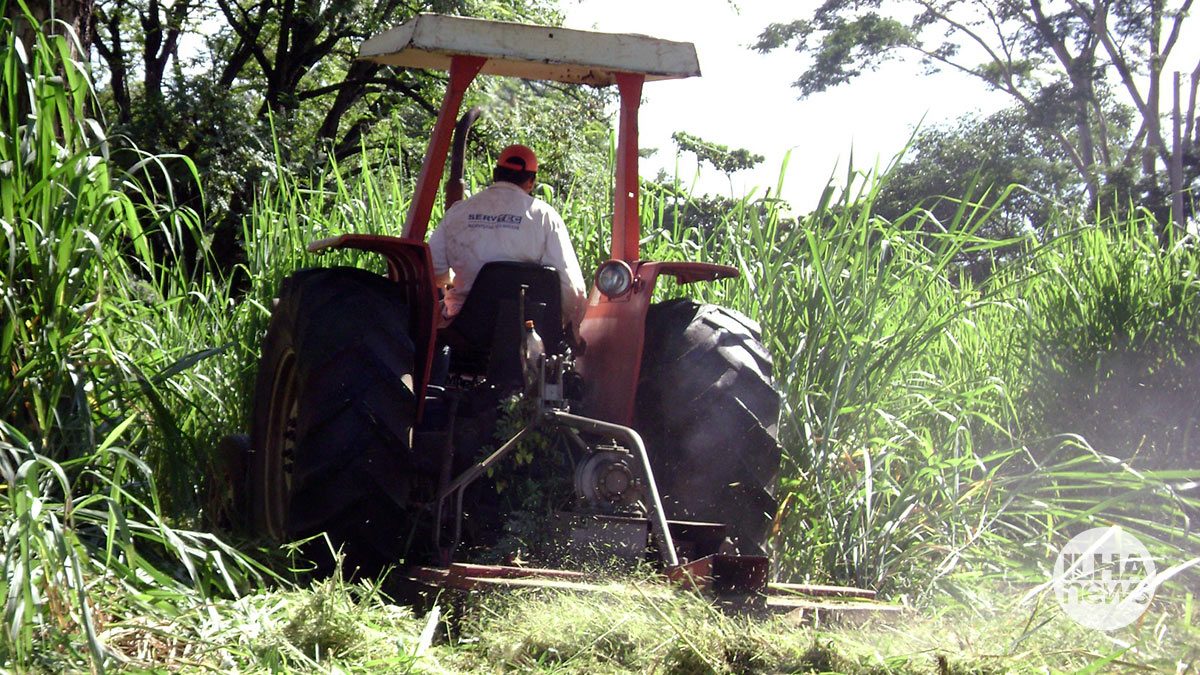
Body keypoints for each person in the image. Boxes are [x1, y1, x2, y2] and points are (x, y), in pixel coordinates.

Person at [428, 144, 587, 332]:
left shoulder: (458, 212)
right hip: (524, 330)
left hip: (466, 330)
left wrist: (454, 282)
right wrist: (569, 328)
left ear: (495, 175)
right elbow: (573, 290)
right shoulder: (545, 217)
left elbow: (433, 271)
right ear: (531, 181)